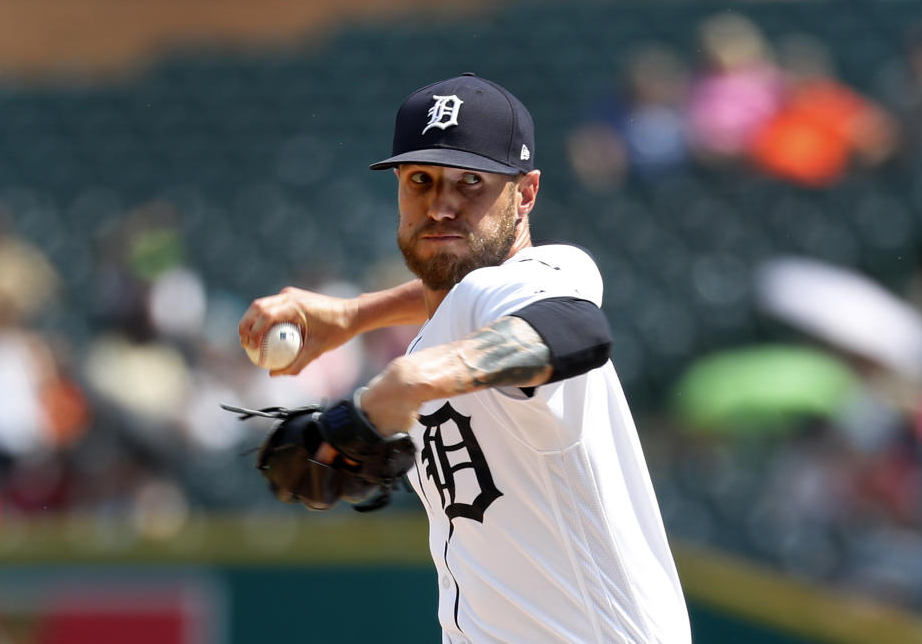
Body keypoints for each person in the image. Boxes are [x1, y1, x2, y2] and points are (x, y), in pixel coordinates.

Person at [239, 73, 691, 644]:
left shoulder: (544, 274)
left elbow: (575, 330)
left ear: (525, 194)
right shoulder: (457, 319)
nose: (441, 206)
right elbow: (453, 297)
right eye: (420, 180)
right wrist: (354, 316)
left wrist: (396, 387)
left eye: (471, 181)